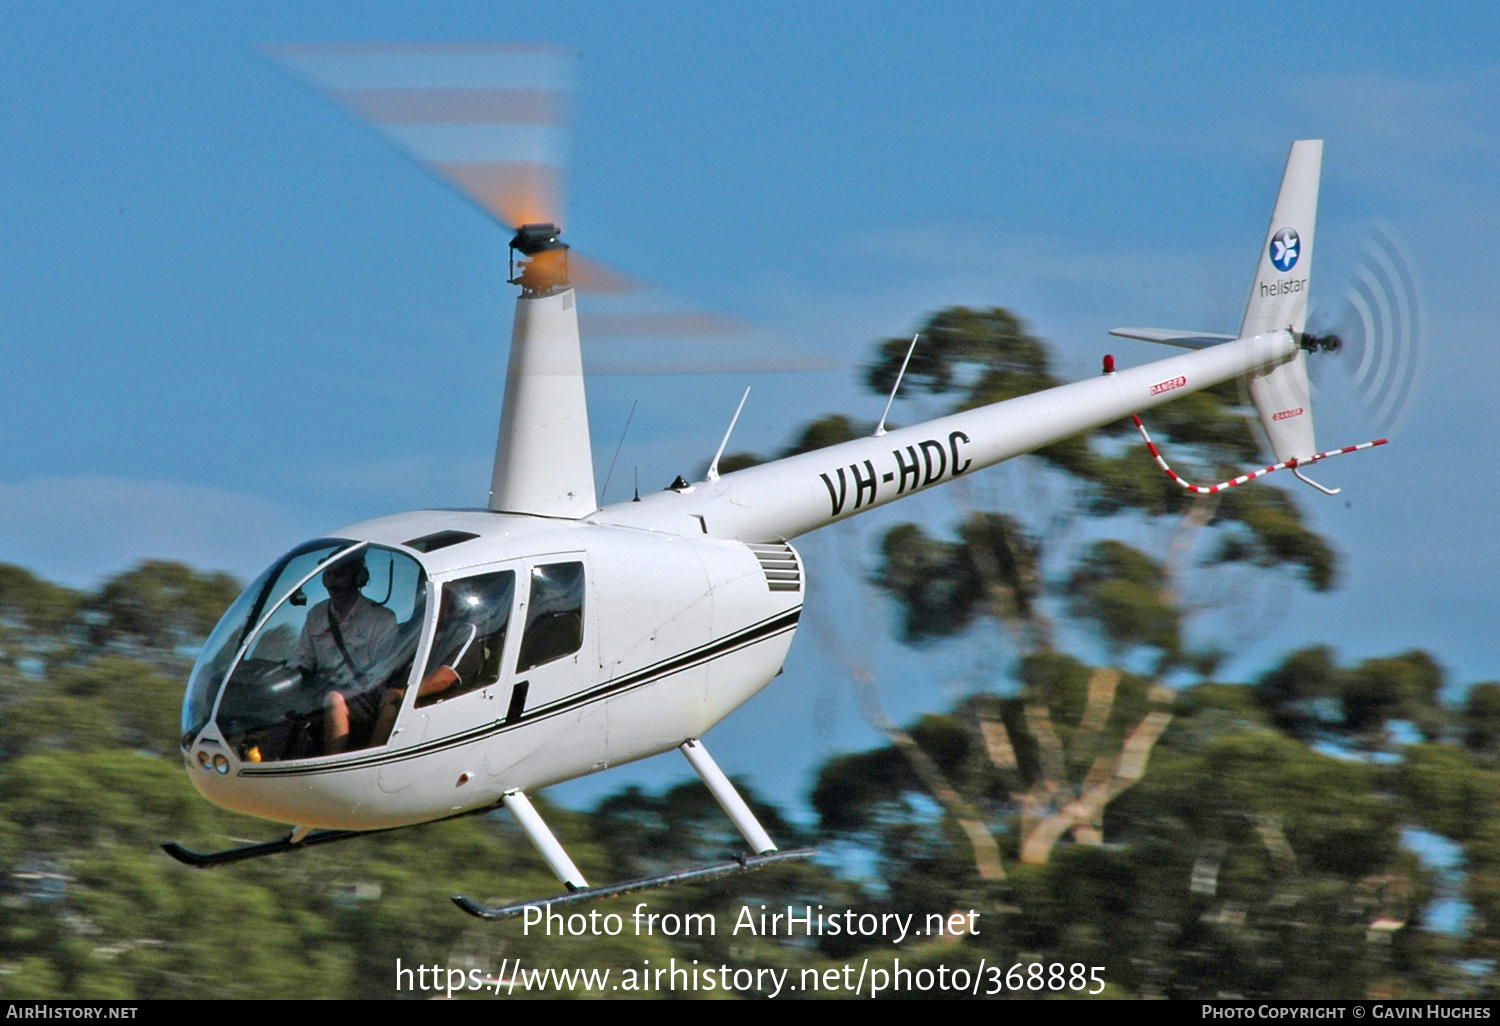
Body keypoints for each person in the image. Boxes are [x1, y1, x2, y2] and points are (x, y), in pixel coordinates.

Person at [289, 552, 398, 755]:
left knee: (333, 700)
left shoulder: (381, 619)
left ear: (359, 578)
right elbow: (303, 659)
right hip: (320, 691)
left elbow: (381, 673)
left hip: (366, 695)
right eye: (327, 575)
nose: (331, 582)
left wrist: (341, 689)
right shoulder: (316, 615)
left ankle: (334, 762)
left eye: (338, 575)